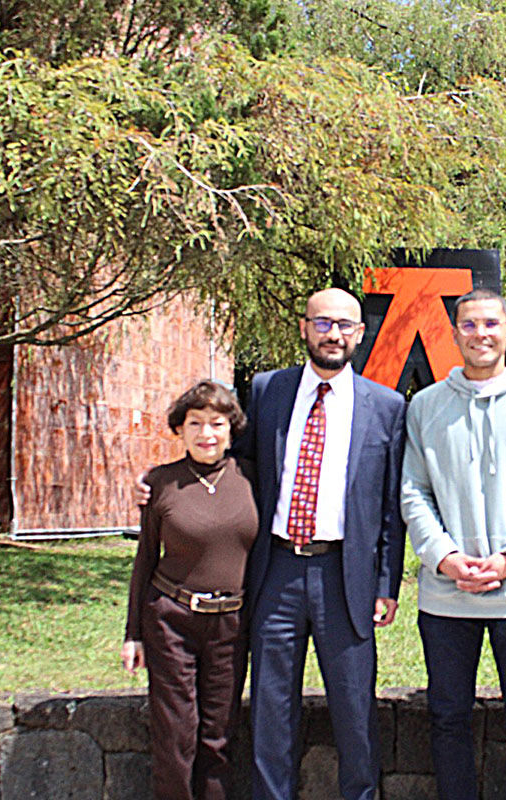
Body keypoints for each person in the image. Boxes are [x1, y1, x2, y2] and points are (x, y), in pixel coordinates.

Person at [235, 288, 406, 800]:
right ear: (305, 328)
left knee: (355, 712)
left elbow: (390, 507)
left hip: (345, 576)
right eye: (324, 323)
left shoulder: (387, 406)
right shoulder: (267, 391)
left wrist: (385, 583)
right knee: (270, 708)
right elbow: (238, 467)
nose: (334, 334)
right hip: (277, 571)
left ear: (359, 334)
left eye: (345, 325)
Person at [401, 288, 506, 800]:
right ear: (454, 335)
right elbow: (414, 492)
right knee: (448, 716)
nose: (481, 334)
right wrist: (446, 559)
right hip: (446, 595)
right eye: (469, 325)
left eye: (491, 324)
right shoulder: (426, 407)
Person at [123, 380, 258, 800]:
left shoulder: (253, 478)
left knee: (218, 738)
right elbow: (144, 558)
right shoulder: (160, 483)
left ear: (231, 429)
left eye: (216, 423)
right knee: (176, 737)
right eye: (195, 423)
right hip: (171, 623)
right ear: (179, 430)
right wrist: (133, 633)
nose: (206, 434)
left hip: (231, 626)